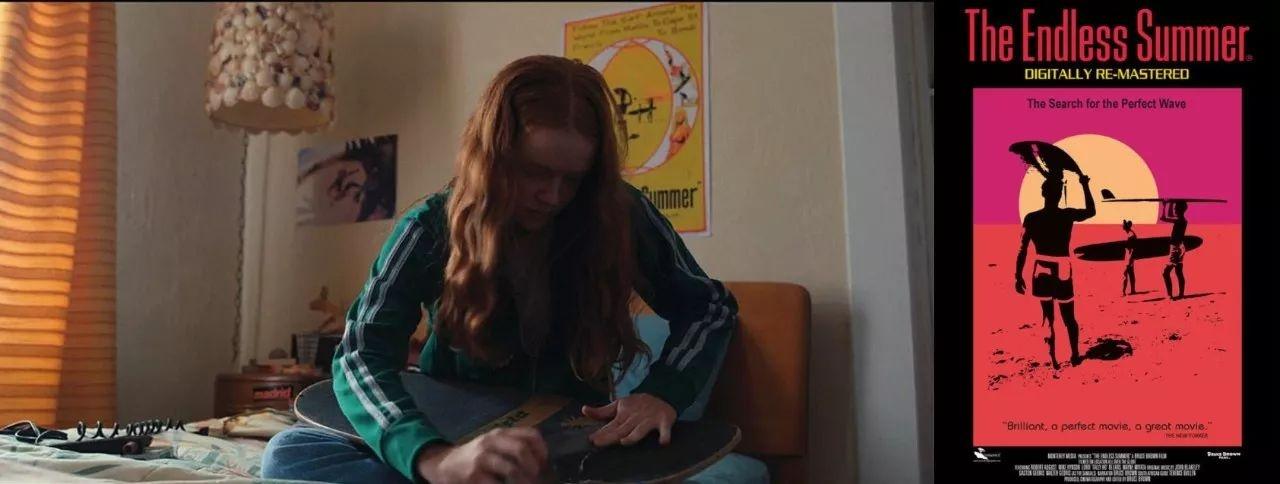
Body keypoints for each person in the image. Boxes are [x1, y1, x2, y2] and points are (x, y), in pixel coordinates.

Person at [260, 55, 749, 484]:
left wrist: (662, 394)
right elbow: (362, 355)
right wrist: (433, 459)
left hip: (566, 448)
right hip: (453, 440)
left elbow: (710, 309)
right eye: (534, 172)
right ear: (493, 157)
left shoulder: (619, 215)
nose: (553, 196)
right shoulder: (431, 226)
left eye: (573, 179)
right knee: (289, 452)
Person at [1014, 164, 1096, 370]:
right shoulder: (1066, 215)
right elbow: (1091, 211)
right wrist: (1084, 185)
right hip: (1062, 266)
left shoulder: (1031, 218)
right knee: (1069, 317)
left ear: (1043, 193)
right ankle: (1075, 355)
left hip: (1041, 267)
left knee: (1048, 318)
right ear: (1060, 195)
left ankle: (1053, 360)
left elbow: (1022, 249)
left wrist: (1018, 275)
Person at [1163, 201, 1189, 300]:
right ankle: (1181, 295)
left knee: (1166, 273)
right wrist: (1170, 203)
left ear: (1179, 210)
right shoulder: (1182, 220)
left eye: (1175, 208)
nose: (1174, 210)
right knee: (1179, 271)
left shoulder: (1179, 221)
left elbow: (1164, 218)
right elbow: (1169, 215)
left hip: (1175, 248)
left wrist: (1165, 206)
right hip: (1180, 247)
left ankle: (1169, 296)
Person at [1122, 220, 1138, 296]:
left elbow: (1133, 248)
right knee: (1131, 273)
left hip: (1130, 256)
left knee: (1125, 273)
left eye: (1124, 225)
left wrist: (1130, 259)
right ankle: (1133, 290)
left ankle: (1123, 292)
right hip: (1129, 256)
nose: (1123, 226)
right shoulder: (1129, 233)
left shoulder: (1131, 235)